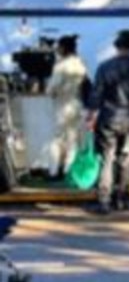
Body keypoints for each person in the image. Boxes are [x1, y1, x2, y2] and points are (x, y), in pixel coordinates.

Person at [88, 30, 129, 215]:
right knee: (126, 160)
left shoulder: (104, 67)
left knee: (106, 159)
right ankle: (121, 198)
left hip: (108, 116)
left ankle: (104, 200)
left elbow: (96, 95)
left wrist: (91, 115)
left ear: (116, 46)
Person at [47, 35, 88, 176]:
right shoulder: (81, 63)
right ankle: (68, 169)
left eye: (58, 47)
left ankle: (53, 171)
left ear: (63, 48)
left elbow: (51, 89)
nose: (57, 49)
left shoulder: (60, 66)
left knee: (56, 139)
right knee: (73, 139)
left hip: (62, 105)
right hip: (76, 104)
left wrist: (50, 91)